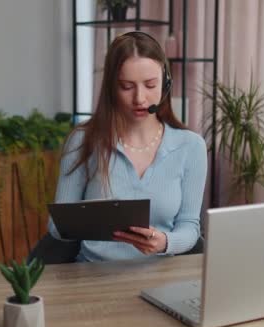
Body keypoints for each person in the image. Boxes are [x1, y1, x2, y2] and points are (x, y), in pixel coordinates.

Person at [48, 31, 207, 262]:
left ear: (166, 84)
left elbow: (190, 227)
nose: (140, 98)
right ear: (112, 87)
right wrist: (91, 221)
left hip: (162, 276)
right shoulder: (83, 140)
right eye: (126, 86)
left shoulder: (191, 146)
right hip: (92, 276)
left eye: (151, 85)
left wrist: (164, 242)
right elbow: (55, 226)